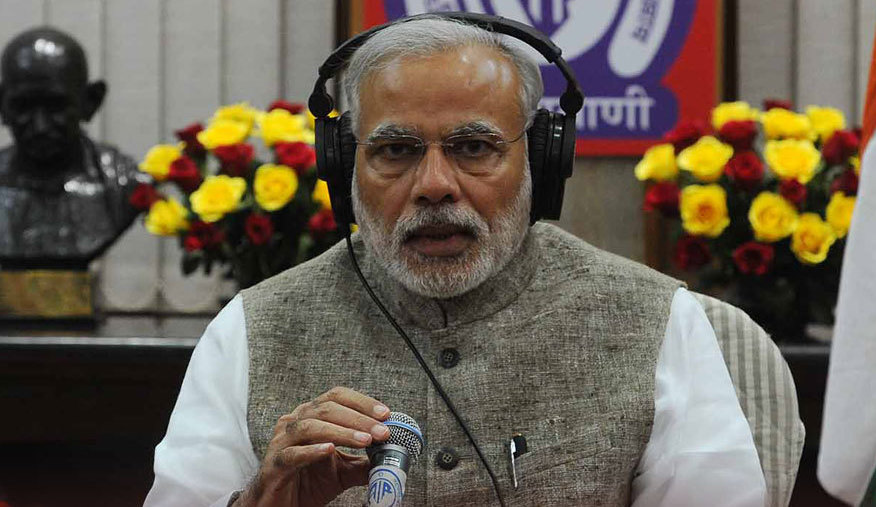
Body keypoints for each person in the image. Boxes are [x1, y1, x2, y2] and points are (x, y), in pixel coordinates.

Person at [145, 16, 766, 506]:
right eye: (396, 150)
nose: (434, 185)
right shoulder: (252, 329)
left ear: (540, 162)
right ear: (343, 165)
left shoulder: (657, 321)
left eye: (473, 147)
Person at [0, 27, 143, 268]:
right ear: (3, 106)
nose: (41, 126)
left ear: (90, 102)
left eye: (56, 106)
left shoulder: (123, 185)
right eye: (23, 106)